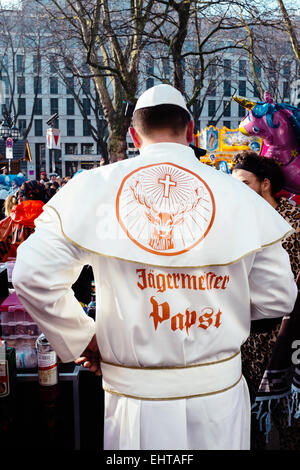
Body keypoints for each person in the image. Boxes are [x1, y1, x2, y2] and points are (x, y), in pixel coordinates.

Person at [12, 85, 297, 451]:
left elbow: (31, 275)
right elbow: (278, 297)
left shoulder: (93, 188)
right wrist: (220, 312)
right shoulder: (240, 195)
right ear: (191, 131)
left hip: (135, 402)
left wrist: (87, 337)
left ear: (133, 135)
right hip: (217, 398)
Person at [232, 151, 300, 449]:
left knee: (288, 412)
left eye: (245, 183)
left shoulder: (295, 220)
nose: (237, 190)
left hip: (289, 330)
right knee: (249, 409)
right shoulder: (235, 223)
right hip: (248, 333)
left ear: (265, 183)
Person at [0, 180, 46, 262]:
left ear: (20, 198)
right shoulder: (53, 221)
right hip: (45, 272)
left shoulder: (4, 224)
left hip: (12, 272)